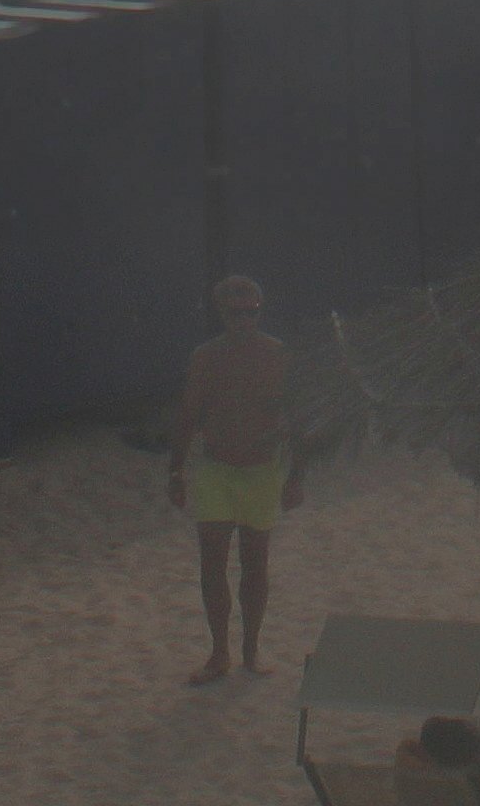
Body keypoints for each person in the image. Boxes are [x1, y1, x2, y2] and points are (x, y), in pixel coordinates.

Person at [172, 274, 290, 677]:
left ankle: (251, 650)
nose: (244, 320)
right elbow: (189, 414)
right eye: (235, 313)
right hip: (217, 468)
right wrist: (175, 470)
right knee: (213, 564)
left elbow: (296, 418)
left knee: (255, 563)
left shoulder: (277, 354)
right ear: (221, 314)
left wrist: (297, 476)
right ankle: (219, 652)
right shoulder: (206, 357)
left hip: (261, 469)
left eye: (251, 312)